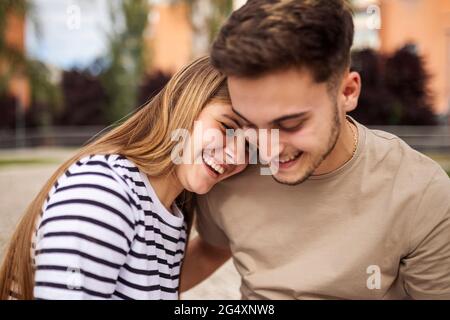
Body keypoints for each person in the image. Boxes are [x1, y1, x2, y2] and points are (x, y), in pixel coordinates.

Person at [180, 0, 450, 299]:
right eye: (248, 124)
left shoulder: (422, 194)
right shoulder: (229, 171)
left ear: (347, 92)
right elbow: (211, 249)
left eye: (290, 124)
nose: (266, 148)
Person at [0, 56, 247, 300]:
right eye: (227, 127)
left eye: (250, 146)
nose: (236, 155)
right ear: (185, 103)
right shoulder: (104, 193)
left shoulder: (168, 212)